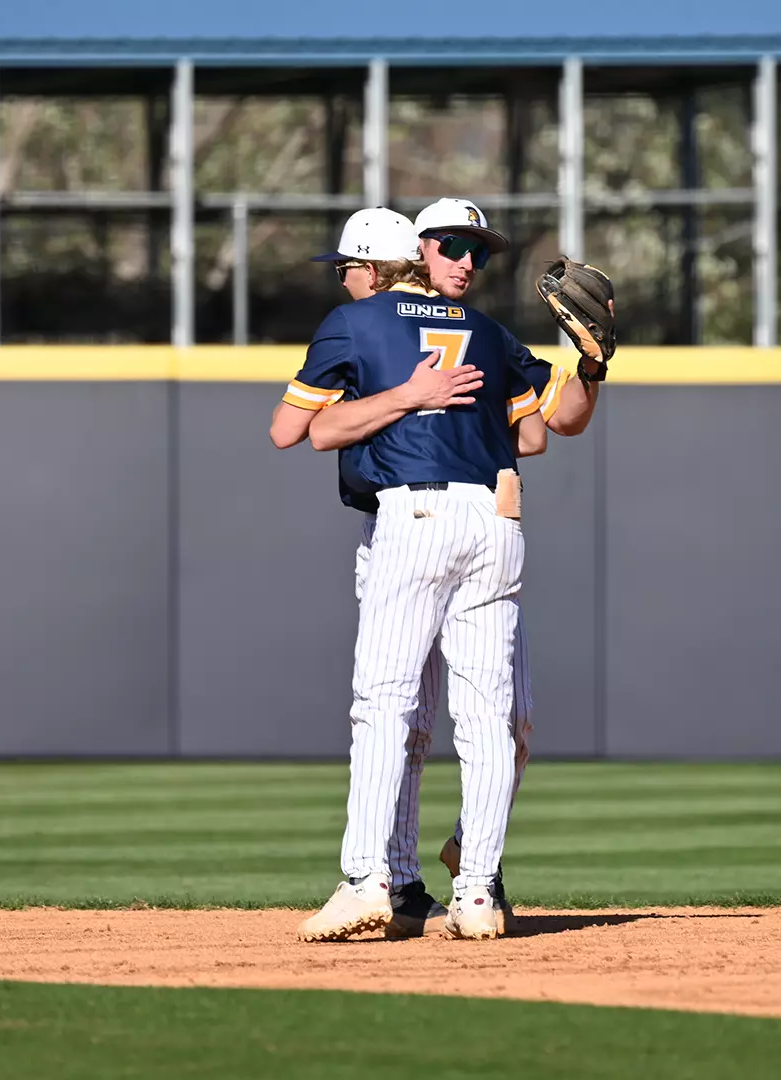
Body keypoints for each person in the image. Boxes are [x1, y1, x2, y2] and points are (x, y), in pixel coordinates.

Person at [302, 199, 601, 936]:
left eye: (480, 251)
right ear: (418, 249)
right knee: (410, 719)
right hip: (400, 524)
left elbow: (550, 428)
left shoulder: (485, 335)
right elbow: (313, 427)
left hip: (471, 525)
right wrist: (407, 399)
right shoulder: (374, 326)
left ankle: (472, 863)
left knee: (503, 718)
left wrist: (591, 367)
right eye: (453, 247)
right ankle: (401, 880)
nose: (467, 262)